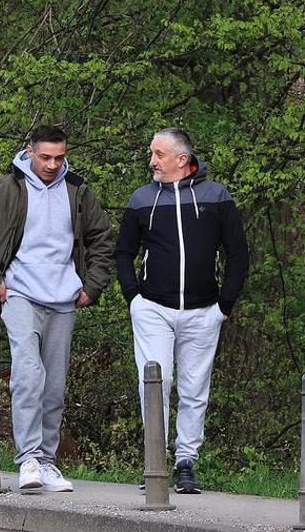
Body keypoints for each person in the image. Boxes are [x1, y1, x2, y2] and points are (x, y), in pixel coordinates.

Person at [0, 125, 115, 493]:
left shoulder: (77, 190)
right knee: (29, 374)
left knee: (55, 385)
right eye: (45, 157)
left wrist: (92, 286)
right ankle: (28, 458)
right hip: (19, 294)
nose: (52, 164)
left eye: (59, 157)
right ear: (29, 151)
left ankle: (47, 461)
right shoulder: (6, 187)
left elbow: (102, 239)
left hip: (63, 298)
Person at [115, 128, 248, 494]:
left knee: (194, 390)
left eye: (158, 154)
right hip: (153, 309)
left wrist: (225, 304)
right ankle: (155, 462)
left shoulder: (216, 196)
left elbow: (238, 253)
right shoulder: (142, 198)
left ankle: (185, 462)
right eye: (152, 153)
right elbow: (123, 251)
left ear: (182, 159)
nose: (152, 161)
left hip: (204, 311)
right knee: (156, 383)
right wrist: (133, 297)